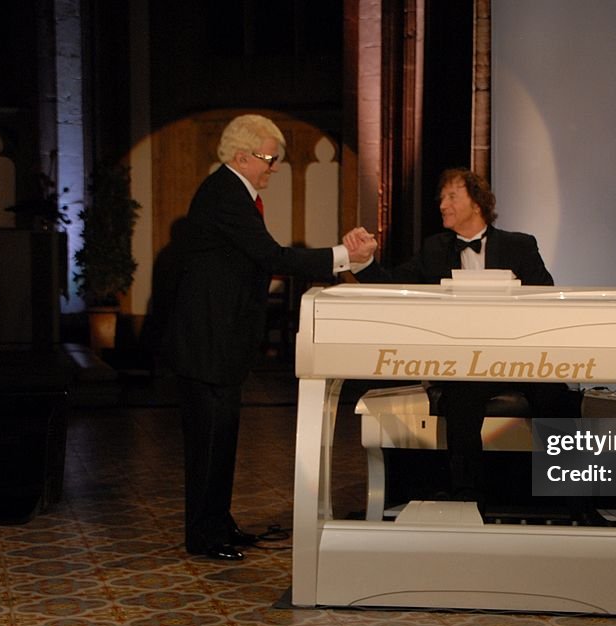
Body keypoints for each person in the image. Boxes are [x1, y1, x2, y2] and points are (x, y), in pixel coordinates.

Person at [165, 114, 375, 561]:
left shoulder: (236, 194)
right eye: (268, 159)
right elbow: (271, 256)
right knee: (208, 443)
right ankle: (205, 536)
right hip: (208, 342)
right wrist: (344, 256)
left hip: (221, 341)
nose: (273, 168)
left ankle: (218, 523)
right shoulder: (225, 194)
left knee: (222, 439)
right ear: (242, 156)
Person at [344, 168, 573, 507]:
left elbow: (546, 298)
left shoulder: (519, 245)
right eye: (441, 197)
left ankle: (565, 494)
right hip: (464, 362)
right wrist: (363, 264)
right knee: (463, 391)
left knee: (557, 393)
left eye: (452, 196)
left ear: (478, 202)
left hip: (519, 358)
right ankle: (466, 494)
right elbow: (393, 286)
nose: (442, 204)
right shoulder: (434, 249)